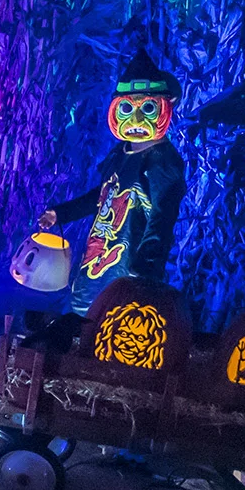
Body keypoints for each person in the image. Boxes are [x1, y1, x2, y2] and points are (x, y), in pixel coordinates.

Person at [37, 47, 186, 318]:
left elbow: (161, 220)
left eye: (148, 108)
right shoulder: (121, 153)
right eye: (128, 108)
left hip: (129, 268)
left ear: (165, 107)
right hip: (99, 257)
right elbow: (103, 196)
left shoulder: (163, 162)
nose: (137, 120)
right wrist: (61, 213)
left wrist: (145, 271)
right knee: (84, 315)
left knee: (115, 320)